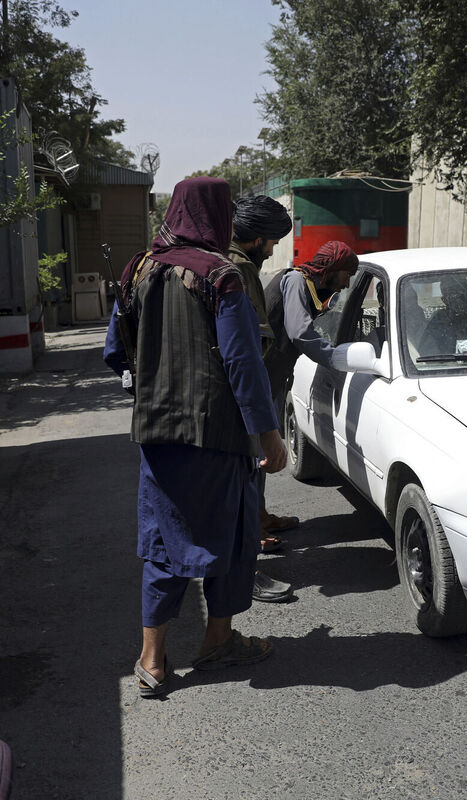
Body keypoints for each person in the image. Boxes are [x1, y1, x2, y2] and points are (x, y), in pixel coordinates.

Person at [102, 177, 287, 698]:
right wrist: (268, 435)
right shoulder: (221, 275)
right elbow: (243, 364)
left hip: (157, 434)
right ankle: (217, 641)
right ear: (219, 217)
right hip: (220, 435)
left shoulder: (138, 268)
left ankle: (152, 660)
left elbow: (115, 352)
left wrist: (151, 388)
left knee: (164, 542)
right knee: (231, 537)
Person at [229, 196, 300, 557]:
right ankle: (249, 544)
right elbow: (249, 349)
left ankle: (257, 521)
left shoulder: (233, 263)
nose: (272, 252)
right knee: (247, 468)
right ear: (257, 240)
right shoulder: (237, 269)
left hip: (239, 393)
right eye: (271, 243)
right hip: (241, 396)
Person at [262, 240, 358, 405]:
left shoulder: (310, 287)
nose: (347, 284)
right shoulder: (296, 280)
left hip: (271, 379)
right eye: (347, 275)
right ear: (333, 267)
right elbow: (300, 331)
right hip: (262, 378)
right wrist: (334, 357)